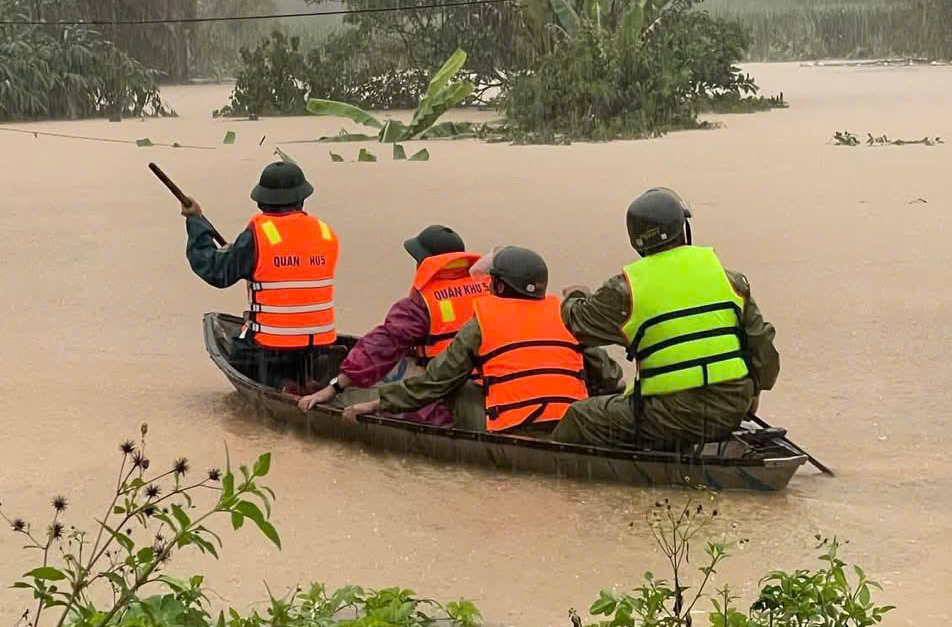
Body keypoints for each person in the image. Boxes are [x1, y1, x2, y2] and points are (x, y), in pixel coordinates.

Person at [551, 187, 779, 450]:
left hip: (671, 414)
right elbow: (763, 347)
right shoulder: (730, 280)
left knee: (580, 416)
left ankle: (561, 484)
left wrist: (575, 296)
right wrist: (754, 392)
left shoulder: (626, 289)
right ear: (682, 229)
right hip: (731, 409)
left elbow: (580, 324)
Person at [340, 247, 624, 435]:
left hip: (514, 428)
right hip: (569, 426)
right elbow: (612, 377)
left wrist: (378, 404)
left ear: (499, 286)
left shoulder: (483, 321)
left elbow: (434, 383)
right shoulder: (567, 313)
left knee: (455, 387)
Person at [297, 225, 491, 427]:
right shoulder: (491, 289)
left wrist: (334, 387)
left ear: (423, 263)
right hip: (494, 396)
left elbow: (380, 347)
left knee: (347, 400)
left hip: (444, 399)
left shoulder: (422, 303)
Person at [182, 161, 339, 390]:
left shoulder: (258, 234)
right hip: (320, 345)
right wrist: (239, 254)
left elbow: (216, 271)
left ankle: (283, 385)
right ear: (302, 198)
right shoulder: (326, 233)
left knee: (238, 357)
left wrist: (195, 221)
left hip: (273, 350)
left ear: (261, 201)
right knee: (297, 346)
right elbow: (291, 268)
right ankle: (311, 378)